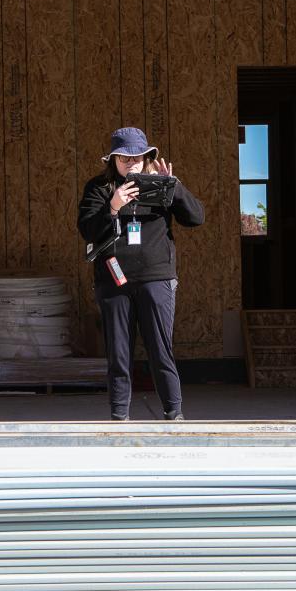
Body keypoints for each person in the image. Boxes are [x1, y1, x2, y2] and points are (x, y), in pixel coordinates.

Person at [77, 127, 205, 421]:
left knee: (160, 349)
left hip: (155, 277)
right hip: (114, 279)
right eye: (123, 158)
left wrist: (175, 186)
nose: (131, 164)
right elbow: (87, 229)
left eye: (136, 157)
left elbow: (196, 217)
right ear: (113, 160)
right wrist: (113, 206)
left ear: (147, 157)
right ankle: (119, 415)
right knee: (119, 353)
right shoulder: (99, 188)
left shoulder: (161, 185)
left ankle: (174, 412)